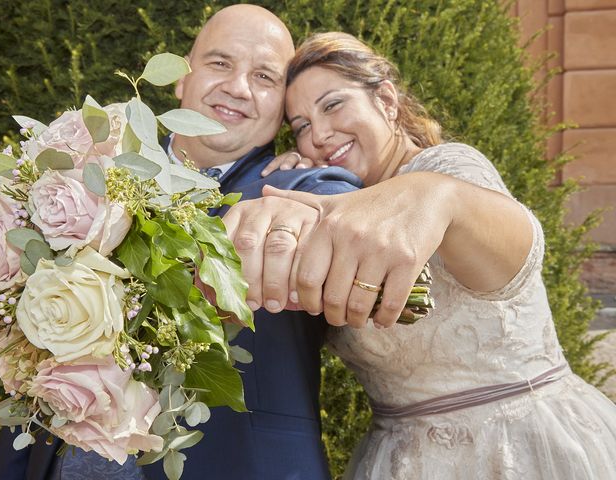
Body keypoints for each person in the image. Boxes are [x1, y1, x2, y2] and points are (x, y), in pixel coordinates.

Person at [223, 32, 616, 479]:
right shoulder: (330, 211)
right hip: (400, 462)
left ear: (386, 100)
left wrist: (437, 196)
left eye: (332, 106)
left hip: (523, 450)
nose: (321, 134)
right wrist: (302, 188)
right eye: (302, 127)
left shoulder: (448, 170)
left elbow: (517, 259)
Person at [0, 8, 361, 480]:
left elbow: (349, 218)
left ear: (282, 107)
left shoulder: (304, 189)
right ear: (181, 77)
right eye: (220, 63)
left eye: (264, 76)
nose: (238, 87)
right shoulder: (84, 179)